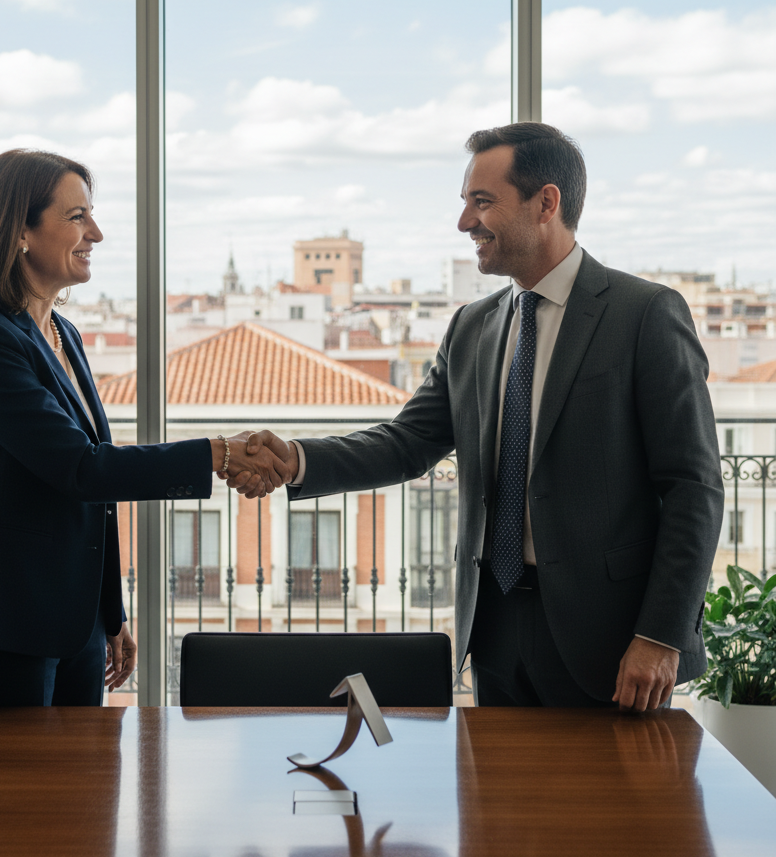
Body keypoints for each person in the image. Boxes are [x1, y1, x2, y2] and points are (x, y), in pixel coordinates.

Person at [229, 123, 723, 711]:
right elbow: (408, 442)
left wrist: (661, 635)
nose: (465, 222)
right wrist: (295, 460)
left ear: (546, 203)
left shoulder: (645, 314)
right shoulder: (471, 326)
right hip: (492, 627)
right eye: (466, 202)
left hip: (612, 642)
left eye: (482, 202)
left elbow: (693, 486)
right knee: (494, 777)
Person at [0, 149, 287, 724]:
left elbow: (88, 502)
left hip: (75, 626)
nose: (95, 232)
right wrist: (217, 453)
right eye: (77, 217)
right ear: (18, 231)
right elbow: (82, 469)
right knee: (4, 786)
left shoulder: (62, 334)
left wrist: (108, 615)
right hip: (3, 623)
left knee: (82, 782)